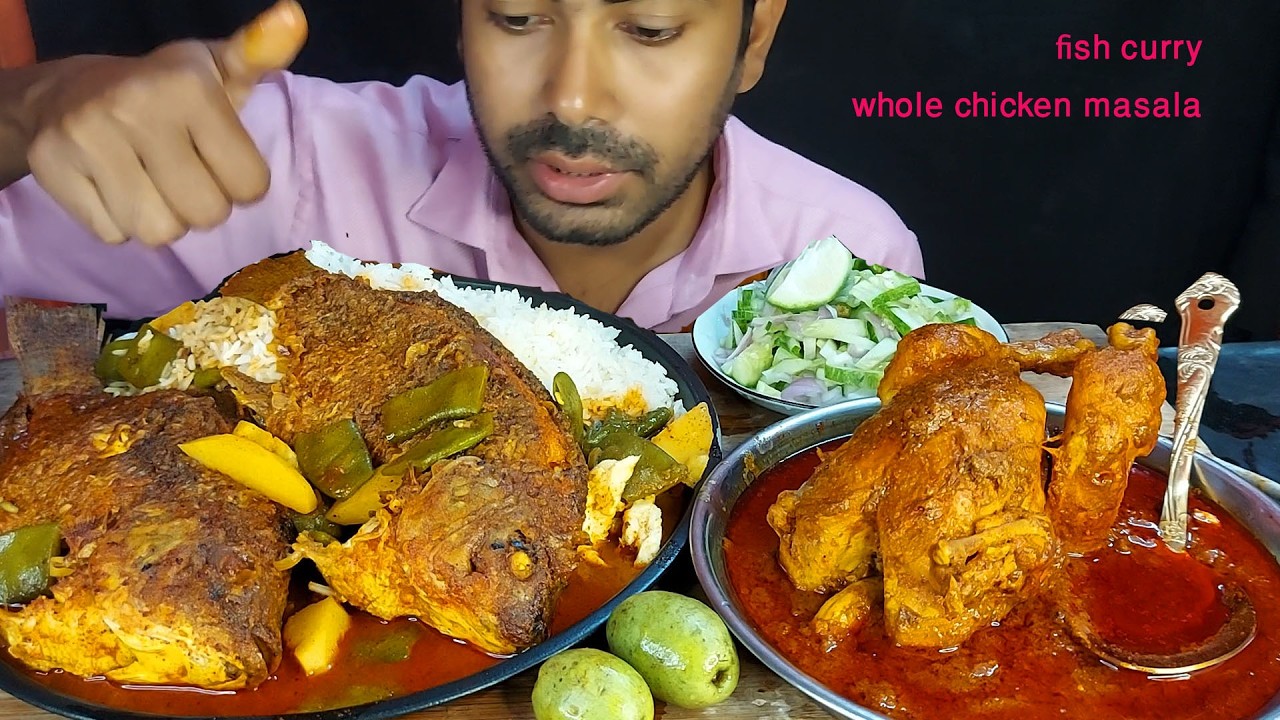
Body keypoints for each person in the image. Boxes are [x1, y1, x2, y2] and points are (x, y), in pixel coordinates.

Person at [0, 0, 922, 332]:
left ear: (752, 40)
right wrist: (30, 106)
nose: (570, 97)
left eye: (648, 30)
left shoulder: (854, 262)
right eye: (518, 20)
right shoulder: (290, 164)